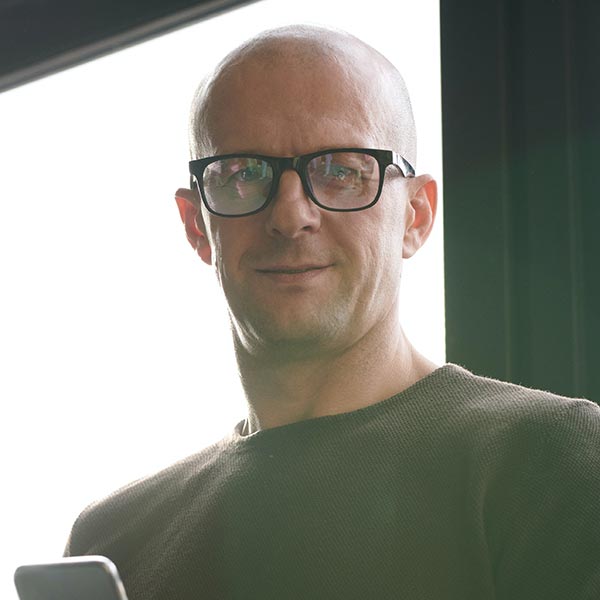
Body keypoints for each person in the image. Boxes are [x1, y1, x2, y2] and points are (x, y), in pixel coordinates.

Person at [65, 24, 600, 599]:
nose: (290, 216)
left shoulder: (553, 461)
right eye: (243, 174)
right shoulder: (112, 540)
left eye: (342, 170)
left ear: (415, 216)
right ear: (197, 224)